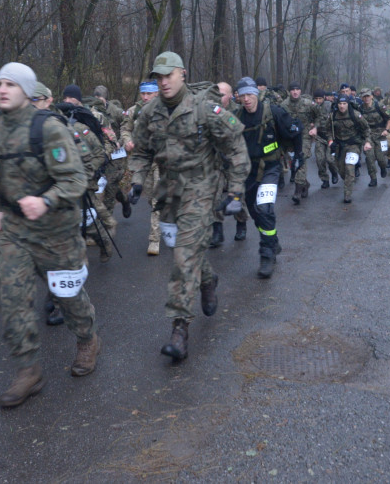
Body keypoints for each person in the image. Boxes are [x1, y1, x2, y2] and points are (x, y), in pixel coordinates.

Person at [0, 63, 99, 408]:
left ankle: (87, 338)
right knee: (13, 298)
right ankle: (27, 369)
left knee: (67, 297)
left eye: (11, 84)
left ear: (27, 91)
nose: (3, 89)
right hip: (16, 231)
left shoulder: (47, 129)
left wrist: (46, 200)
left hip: (56, 231)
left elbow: (76, 180)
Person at [127, 52, 249, 360]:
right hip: (170, 190)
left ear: (183, 74)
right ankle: (208, 278)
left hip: (201, 188)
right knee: (185, 249)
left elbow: (235, 146)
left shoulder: (205, 109)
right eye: (159, 76)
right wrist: (138, 180)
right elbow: (141, 150)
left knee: (182, 258)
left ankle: (179, 329)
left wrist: (235, 191)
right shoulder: (150, 112)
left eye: (169, 75)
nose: (164, 81)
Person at [234, 77, 302, 278]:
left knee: (264, 208)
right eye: (242, 95)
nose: (246, 99)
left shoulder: (274, 112)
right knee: (255, 213)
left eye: (249, 94)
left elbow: (295, 130)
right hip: (248, 172)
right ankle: (273, 241)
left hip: (271, 169)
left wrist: (299, 156)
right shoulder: (235, 117)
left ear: (256, 94)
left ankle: (266, 255)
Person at [62, 85, 116, 255]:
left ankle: (104, 234)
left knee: (89, 207)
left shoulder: (90, 118)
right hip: (68, 177)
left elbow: (106, 141)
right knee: (84, 209)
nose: (68, 101)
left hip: (89, 170)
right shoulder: (59, 120)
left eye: (71, 98)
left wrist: (92, 169)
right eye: (66, 98)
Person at [122, 81, 163, 255]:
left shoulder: (165, 109)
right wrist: (127, 141)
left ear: (157, 93)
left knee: (157, 200)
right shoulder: (134, 111)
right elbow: (125, 128)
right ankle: (167, 218)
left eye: (149, 94)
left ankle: (154, 240)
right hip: (143, 162)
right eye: (143, 94)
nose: (145, 97)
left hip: (162, 161)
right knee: (150, 197)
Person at [208, 81, 250, 246]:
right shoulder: (210, 110)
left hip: (234, 163)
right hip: (216, 162)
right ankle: (217, 231)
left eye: (222, 94)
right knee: (214, 196)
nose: (218, 97)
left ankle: (241, 223)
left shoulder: (238, 112)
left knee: (238, 196)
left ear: (232, 96)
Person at [89, 85, 130, 219]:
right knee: (105, 184)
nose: (98, 101)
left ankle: (107, 222)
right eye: (96, 98)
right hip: (101, 152)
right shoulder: (92, 110)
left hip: (116, 153)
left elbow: (127, 122)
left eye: (100, 98)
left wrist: (122, 139)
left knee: (110, 184)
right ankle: (123, 199)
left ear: (105, 98)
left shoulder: (115, 110)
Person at [327, 95, 371, 203]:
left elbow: (366, 128)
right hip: (339, 146)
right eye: (340, 104)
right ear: (337, 105)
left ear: (348, 104)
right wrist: (330, 141)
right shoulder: (333, 116)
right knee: (342, 171)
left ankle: (347, 194)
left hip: (353, 145)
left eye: (344, 104)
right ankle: (349, 180)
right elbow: (327, 130)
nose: (342, 106)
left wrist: (367, 141)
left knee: (349, 167)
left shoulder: (355, 115)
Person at [281, 81, 316, 203]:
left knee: (301, 159)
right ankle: (304, 184)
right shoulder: (284, 105)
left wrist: (315, 127)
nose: (295, 92)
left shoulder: (308, 104)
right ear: (289, 91)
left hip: (305, 136)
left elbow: (320, 115)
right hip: (291, 138)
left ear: (300, 91)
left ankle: (297, 191)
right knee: (294, 163)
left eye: (297, 89)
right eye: (292, 90)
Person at [359, 91, 390, 187]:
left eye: (368, 96)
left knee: (381, 158)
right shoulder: (360, 109)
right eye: (364, 97)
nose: (366, 98)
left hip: (380, 135)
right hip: (368, 136)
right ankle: (373, 178)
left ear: (372, 96)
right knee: (369, 157)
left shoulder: (379, 106)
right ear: (361, 98)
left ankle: (383, 167)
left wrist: (387, 130)